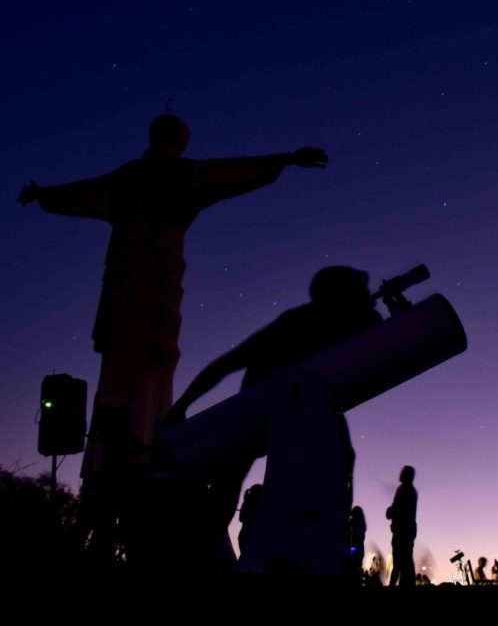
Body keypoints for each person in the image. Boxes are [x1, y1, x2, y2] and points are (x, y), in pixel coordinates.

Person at [18, 113, 326, 561]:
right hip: (149, 304)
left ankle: (125, 470)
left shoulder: (129, 180)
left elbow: (81, 192)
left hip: (133, 301)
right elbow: (231, 172)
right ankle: (133, 467)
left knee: (128, 380)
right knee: (140, 377)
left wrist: (43, 194)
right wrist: (284, 159)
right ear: (178, 142)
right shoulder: (181, 176)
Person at [165, 266, 382, 555]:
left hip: (297, 413)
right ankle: (198, 552)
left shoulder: (346, 322)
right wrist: (181, 405)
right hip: (260, 414)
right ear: (338, 295)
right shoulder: (296, 323)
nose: (368, 297)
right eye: (360, 292)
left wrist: (183, 404)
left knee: (228, 484)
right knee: (224, 488)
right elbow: (230, 362)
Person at [386, 465, 418, 588]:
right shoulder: (409, 490)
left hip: (402, 532)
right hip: (407, 531)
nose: (399, 473)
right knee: (405, 561)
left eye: (402, 472)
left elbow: (397, 509)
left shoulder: (404, 490)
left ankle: (396, 584)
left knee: (400, 560)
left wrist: (390, 512)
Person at [348, 506, 367, 581]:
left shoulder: (356, 524)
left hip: (355, 550)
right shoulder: (361, 525)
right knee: (357, 570)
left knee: (353, 570)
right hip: (359, 550)